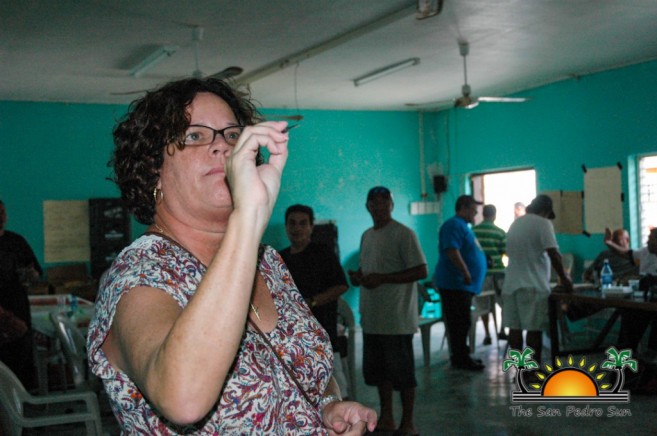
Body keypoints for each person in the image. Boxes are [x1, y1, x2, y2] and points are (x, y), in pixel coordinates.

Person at [86, 77, 376, 434]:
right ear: (153, 170)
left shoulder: (267, 262)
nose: (221, 147)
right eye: (195, 135)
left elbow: (305, 364)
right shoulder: (139, 274)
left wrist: (330, 405)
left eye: (232, 135)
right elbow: (183, 399)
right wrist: (247, 218)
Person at [348, 186, 427, 436]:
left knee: (403, 374)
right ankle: (388, 417)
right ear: (367, 206)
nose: (379, 207)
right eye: (374, 202)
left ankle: (408, 422)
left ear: (392, 206)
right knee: (380, 373)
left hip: (397, 318)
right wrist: (360, 278)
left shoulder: (404, 234)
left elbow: (421, 271)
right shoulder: (367, 236)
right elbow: (370, 269)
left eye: (385, 202)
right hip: (372, 318)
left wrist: (383, 279)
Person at [279, 204, 350, 398]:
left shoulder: (323, 253)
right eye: (292, 223)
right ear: (286, 227)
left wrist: (311, 303)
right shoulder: (279, 258)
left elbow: (341, 286)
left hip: (323, 334)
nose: (297, 228)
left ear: (311, 227)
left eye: (303, 223)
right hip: (292, 338)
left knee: (334, 389)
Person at [502, 194, 573, 365]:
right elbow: (554, 254)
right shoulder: (543, 223)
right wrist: (564, 278)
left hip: (511, 285)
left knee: (515, 329)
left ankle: (521, 370)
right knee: (534, 330)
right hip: (532, 287)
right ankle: (532, 372)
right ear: (545, 211)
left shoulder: (515, 223)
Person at [434, 195, 487, 371]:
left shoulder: (463, 226)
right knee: (458, 322)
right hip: (454, 283)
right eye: (473, 208)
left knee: (462, 322)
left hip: (461, 284)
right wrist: (465, 271)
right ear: (463, 208)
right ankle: (460, 359)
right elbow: (452, 250)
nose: (476, 212)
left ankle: (462, 355)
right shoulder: (454, 224)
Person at [0, 199, 40, 389]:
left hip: (19, 309)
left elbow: (34, 273)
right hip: (5, 317)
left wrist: (31, 275)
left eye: (2, 212)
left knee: (20, 366)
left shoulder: (16, 241)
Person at [472, 204, 506, 344]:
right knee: (505, 303)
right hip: (498, 273)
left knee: (483, 306)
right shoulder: (499, 232)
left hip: (481, 274)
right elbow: (505, 250)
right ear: (494, 215)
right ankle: (502, 330)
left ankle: (487, 334)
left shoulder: (473, 231)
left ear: (483, 214)